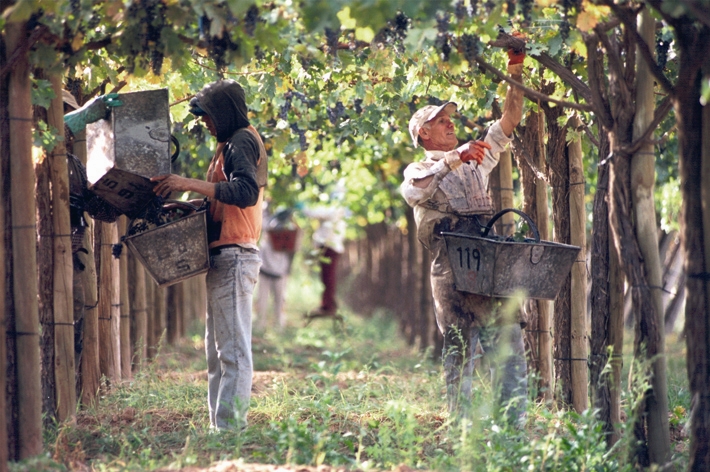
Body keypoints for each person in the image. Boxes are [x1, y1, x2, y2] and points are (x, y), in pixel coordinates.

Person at [400, 41, 527, 425]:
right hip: (451, 273)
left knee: (508, 343)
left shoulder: (477, 159)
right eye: (441, 121)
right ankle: (462, 430)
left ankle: (513, 427)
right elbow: (416, 191)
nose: (450, 123)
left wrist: (515, 69)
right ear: (423, 133)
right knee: (459, 350)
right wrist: (454, 158)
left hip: (488, 259)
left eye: (450, 118)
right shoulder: (418, 169)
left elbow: (510, 119)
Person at [151, 79, 267, 431]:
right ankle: (220, 428)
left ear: (225, 111)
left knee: (232, 351)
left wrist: (187, 184)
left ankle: (231, 433)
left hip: (235, 256)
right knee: (217, 352)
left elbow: (245, 192)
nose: (205, 123)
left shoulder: (242, 140)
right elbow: (222, 196)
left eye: (208, 116)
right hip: (224, 256)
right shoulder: (228, 144)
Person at [302, 187, 346, 318]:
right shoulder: (336, 208)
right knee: (327, 277)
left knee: (328, 277)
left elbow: (317, 213)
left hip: (330, 247)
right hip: (328, 246)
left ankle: (328, 306)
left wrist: (303, 207)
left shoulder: (335, 209)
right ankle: (328, 304)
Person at [255, 207, 298, 331]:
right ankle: (275, 325)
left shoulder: (270, 226)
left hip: (270, 269)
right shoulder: (287, 230)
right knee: (277, 300)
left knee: (267, 299)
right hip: (275, 270)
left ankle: (264, 324)